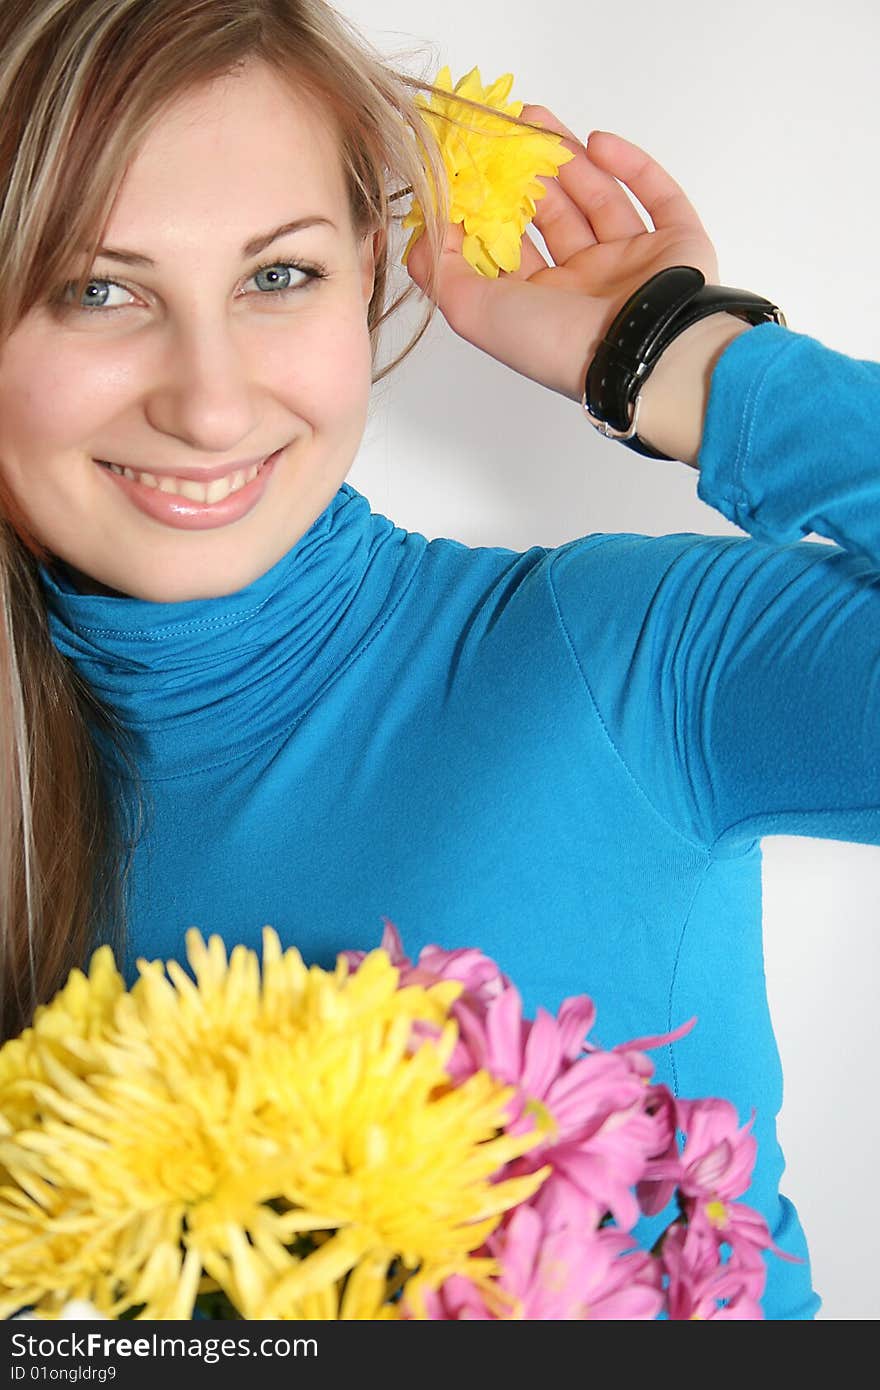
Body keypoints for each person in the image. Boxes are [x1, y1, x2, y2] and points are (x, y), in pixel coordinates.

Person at [0, 0, 876, 1321]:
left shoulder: (624, 668)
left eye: (277, 276)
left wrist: (682, 360)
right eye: (97, 289)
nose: (210, 400)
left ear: (369, 271)